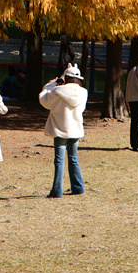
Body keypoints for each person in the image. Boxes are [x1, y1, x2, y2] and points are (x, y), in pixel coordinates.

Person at [39, 63, 88, 198]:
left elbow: (43, 100)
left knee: (59, 161)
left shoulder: (57, 91)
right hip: (75, 129)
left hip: (60, 128)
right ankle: (78, 187)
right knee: (74, 158)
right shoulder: (83, 92)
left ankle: (56, 191)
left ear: (66, 77)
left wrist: (52, 84)